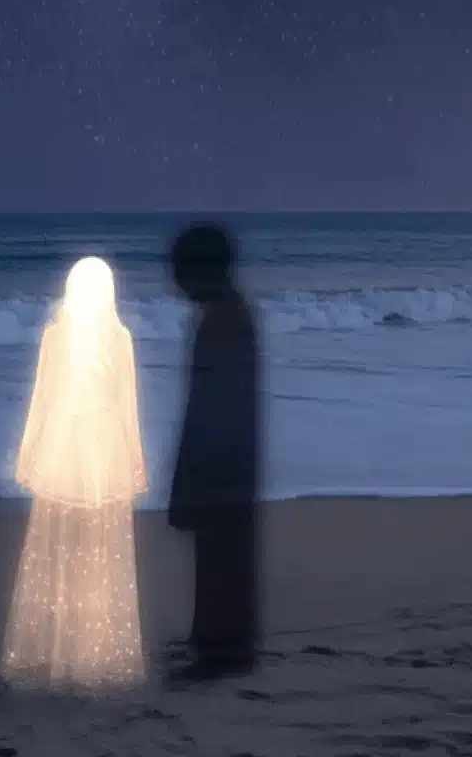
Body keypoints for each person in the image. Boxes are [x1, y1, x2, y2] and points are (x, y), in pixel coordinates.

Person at [0, 256, 149, 692]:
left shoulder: (60, 336)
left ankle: (57, 652)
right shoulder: (117, 338)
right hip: (103, 448)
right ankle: (89, 652)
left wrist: (29, 456)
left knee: (60, 547)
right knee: (97, 550)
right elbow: (126, 405)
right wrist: (134, 463)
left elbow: (42, 402)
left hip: (64, 446)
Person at [166, 222, 264, 681]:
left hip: (222, 462)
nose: (175, 282)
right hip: (231, 460)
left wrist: (192, 474)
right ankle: (216, 642)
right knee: (221, 555)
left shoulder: (225, 320)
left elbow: (212, 407)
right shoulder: (227, 313)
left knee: (221, 557)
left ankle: (222, 651)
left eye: (180, 271)